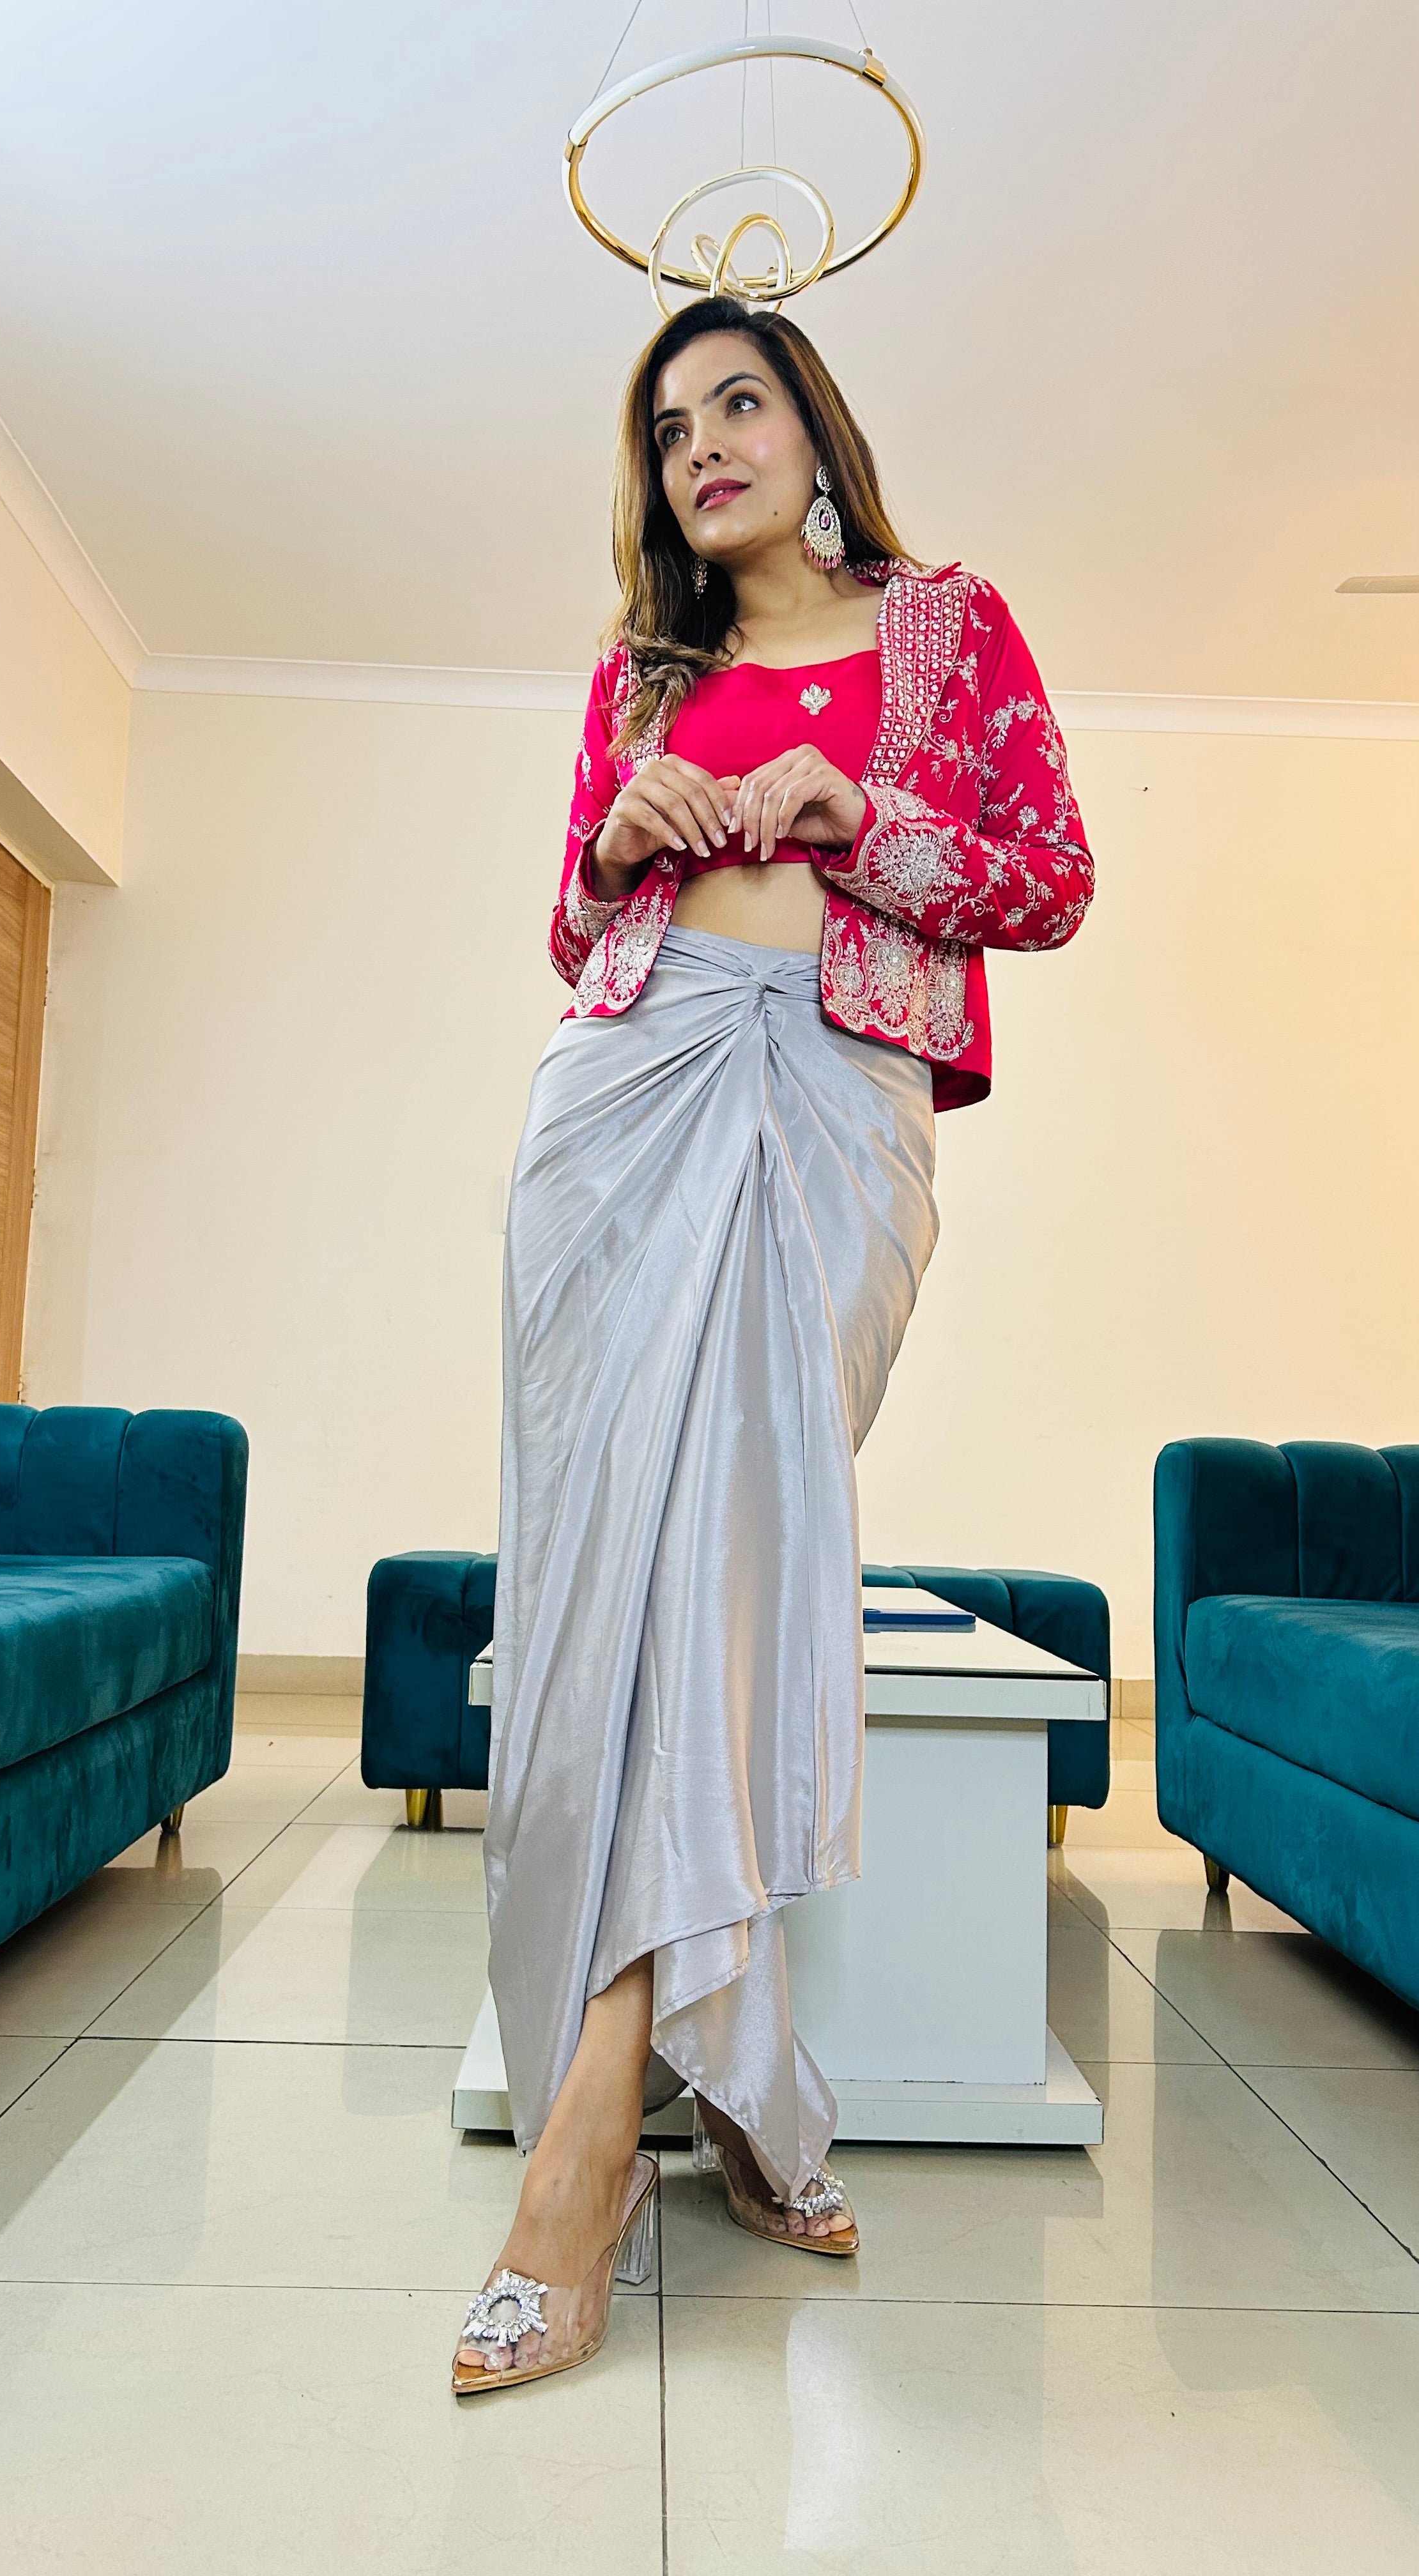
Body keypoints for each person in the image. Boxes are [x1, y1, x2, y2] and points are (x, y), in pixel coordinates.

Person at [454, 293, 1094, 2394]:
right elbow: (574, 931)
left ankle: (643, 2120)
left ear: (815, 433)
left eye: (738, 403)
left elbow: (1048, 880)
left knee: (722, 1590)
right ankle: (650, 2111)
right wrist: (612, 847)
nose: (701, 446)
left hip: (831, 1108)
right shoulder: (636, 672)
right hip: (620, 1101)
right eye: (667, 427)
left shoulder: (948, 627)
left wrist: (852, 824)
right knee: (596, 1605)